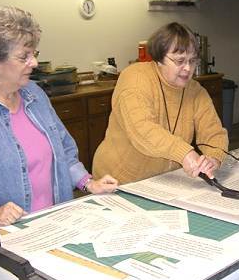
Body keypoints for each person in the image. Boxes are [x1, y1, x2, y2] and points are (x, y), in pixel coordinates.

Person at [0, 6, 118, 226]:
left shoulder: (34, 95)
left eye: (33, 54)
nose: (34, 63)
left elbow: (63, 151)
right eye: (23, 57)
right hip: (10, 238)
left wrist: (88, 183)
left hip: (58, 223)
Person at [93, 22, 228, 184]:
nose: (187, 68)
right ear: (159, 59)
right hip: (117, 180)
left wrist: (213, 159)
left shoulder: (196, 91)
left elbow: (213, 133)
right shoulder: (135, 79)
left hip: (162, 180)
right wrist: (185, 153)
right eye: (180, 61)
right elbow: (143, 129)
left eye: (192, 61)